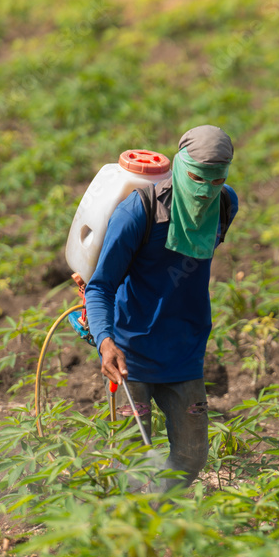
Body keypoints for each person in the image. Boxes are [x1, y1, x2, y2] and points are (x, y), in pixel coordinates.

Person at [85, 125, 238, 491]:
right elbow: (101, 285)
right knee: (132, 461)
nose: (206, 188)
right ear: (179, 166)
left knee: (191, 456)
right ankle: (129, 529)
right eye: (197, 176)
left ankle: (157, 513)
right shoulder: (139, 212)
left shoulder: (225, 204)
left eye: (216, 179)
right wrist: (105, 340)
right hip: (129, 353)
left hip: (184, 350)